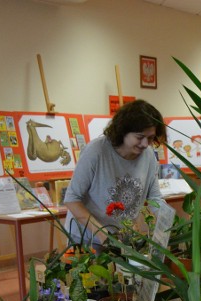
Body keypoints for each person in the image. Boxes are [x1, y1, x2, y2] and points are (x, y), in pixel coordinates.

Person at [64, 99, 167, 248]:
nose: (145, 144)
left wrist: (167, 226)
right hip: (86, 238)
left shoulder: (149, 155)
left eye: (150, 138)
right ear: (123, 131)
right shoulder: (96, 151)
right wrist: (102, 235)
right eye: (139, 137)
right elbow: (72, 199)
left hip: (121, 238)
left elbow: (155, 198)